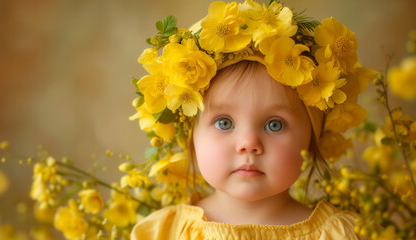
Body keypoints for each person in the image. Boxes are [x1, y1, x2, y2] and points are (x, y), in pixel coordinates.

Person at [129, 0, 376, 239]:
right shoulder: (163, 233)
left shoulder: (337, 235)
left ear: (311, 141)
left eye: (274, 124)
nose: (248, 143)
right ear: (191, 137)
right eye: (224, 123)